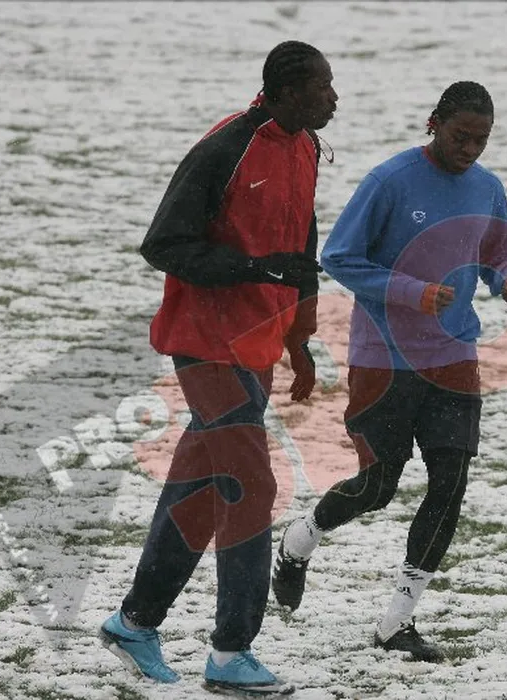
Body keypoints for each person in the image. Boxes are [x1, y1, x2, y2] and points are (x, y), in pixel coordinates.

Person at [99, 41, 337, 695]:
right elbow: (163, 244)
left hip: (257, 346)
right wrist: (252, 269)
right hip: (205, 343)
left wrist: (300, 341)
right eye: (322, 87)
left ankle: (133, 623)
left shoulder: (306, 147)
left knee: (200, 491)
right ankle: (232, 653)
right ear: (287, 91)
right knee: (251, 485)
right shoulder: (225, 148)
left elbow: (302, 246)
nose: (333, 98)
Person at [272, 81, 507, 662]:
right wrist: (413, 291)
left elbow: (496, 251)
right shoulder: (389, 181)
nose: (470, 149)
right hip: (383, 359)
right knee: (377, 487)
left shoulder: (487, 188)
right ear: (434, 123)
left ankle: (398, 622)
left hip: (454, 357)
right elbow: (339, 257)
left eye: (481, 140)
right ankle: (298, 540)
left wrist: (506, 281)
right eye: (460, 136)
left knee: (449, 484)